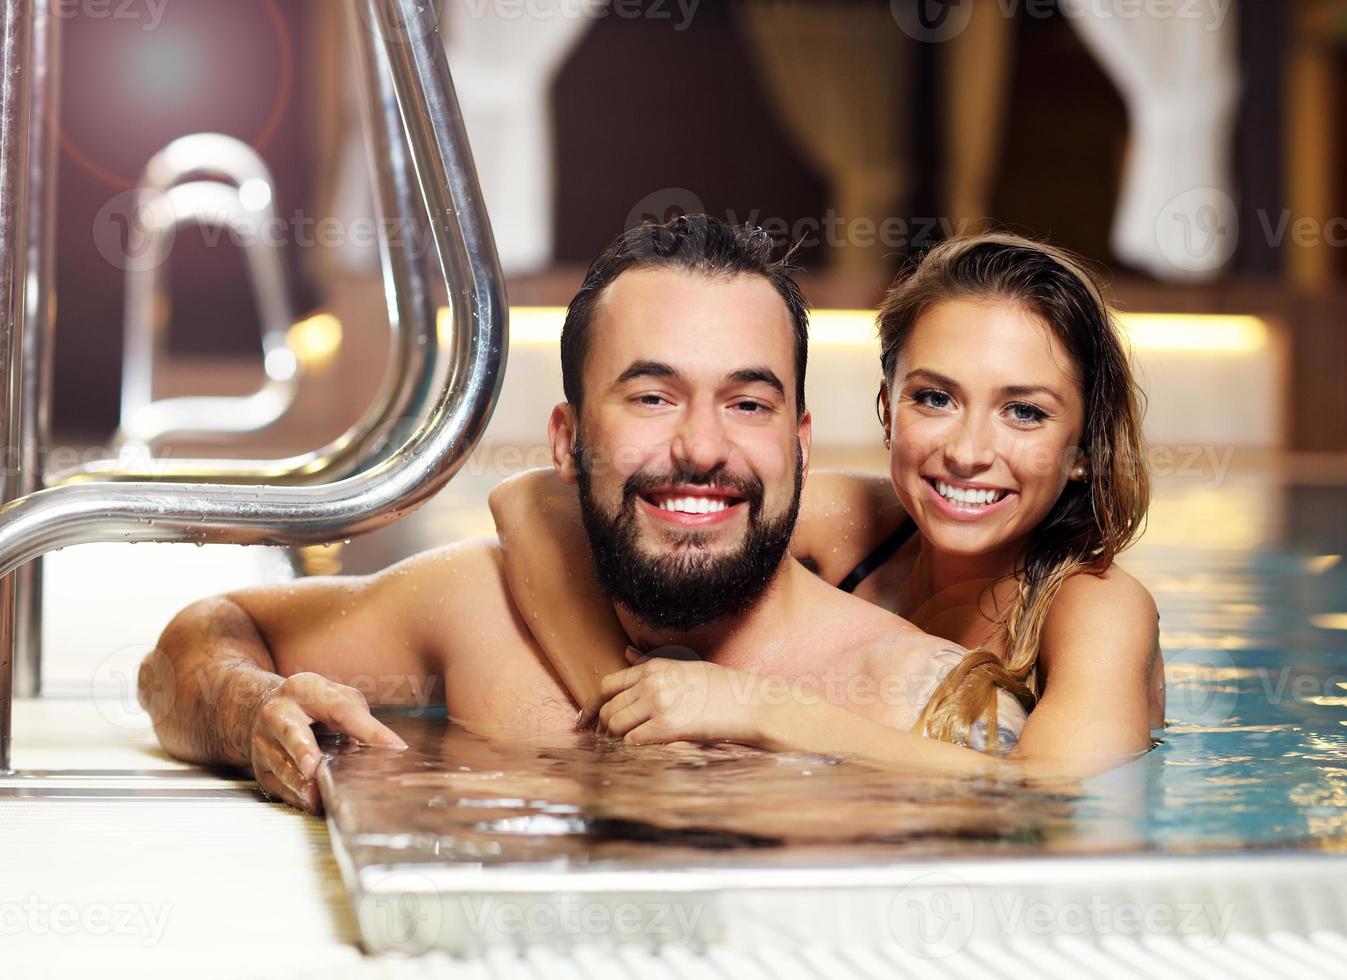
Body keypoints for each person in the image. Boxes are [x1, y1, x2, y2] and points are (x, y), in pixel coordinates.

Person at [139, 216, 1019, 815]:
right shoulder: (479, 614)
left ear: (801, 443)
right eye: (650, 395)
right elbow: (198, 639)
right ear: (565, 442)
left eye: (748, 405)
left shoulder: (916, 701)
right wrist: (254, 712)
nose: (702, 448)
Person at [494, 231, 1164, 771]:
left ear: (1083, 448)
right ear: (887, 409)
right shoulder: (860, 527)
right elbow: (531, 503)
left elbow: (1056, 799)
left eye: (1024, 412)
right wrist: (622, 709)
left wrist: (765, 712)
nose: (968, 451)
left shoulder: (1095, 607)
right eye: (934, 398)